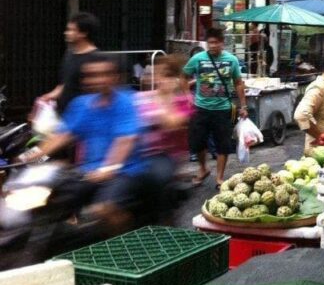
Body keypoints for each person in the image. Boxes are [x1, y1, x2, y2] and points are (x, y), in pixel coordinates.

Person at [22, 55, 148, 234]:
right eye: (91, 75)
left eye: (103, 74)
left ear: (115, 77)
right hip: (87, 172)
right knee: (50, 201)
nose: (96, 79)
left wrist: (108, 169)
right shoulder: (81, 104)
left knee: (104, 208)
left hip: (123, 172)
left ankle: (127, 240)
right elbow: (60, 138)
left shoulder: (126, 103)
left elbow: (124, 141)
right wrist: (29, 158)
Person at [184, 27, 247, 188]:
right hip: (201, 108)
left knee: (223, 145)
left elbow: (238, 83)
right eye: (210, 43)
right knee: (197, 143)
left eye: (216, 43)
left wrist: (243, 106)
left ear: (222, 43)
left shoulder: (231, 60)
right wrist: (187, 96)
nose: (212, 46)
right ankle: (203, 169)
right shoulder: (197, 59)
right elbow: (184, 77)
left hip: (223, 109)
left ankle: (219, 177)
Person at [136, 55, 193, 199]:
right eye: (155, 74)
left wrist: (165, 99)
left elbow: (171, 124)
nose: (159, 79)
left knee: (157, 179)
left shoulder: (183, 101)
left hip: (167, 155)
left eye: (165, 75)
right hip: (141, 153)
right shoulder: (145, 97)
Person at [37, 12, 101, 116]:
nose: (66, 33)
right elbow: (64, 84)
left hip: (85, 118)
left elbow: (99, 94)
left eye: (71, 30)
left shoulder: (96, 59)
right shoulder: (69, 54)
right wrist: (49, 96)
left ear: (83, 33)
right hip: (65, 116)